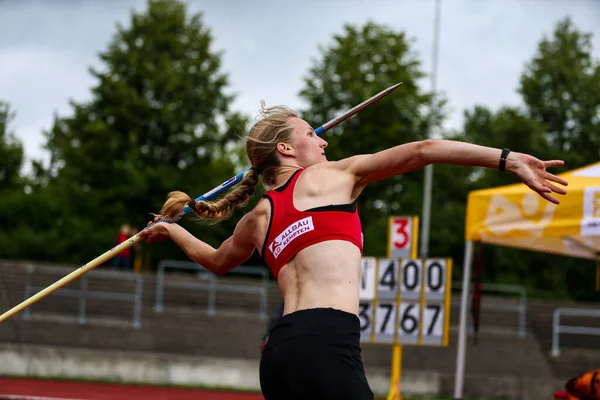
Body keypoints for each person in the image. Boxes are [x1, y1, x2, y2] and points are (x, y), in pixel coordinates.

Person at [138, 102, 568, 400]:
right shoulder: (334, 176)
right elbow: (424, 151)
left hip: (278, 354)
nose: (323, 143)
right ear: (286, 149)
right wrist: (506, 159)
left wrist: (171, 231)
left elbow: (215, 261)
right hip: (327, 341)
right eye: (312, 134)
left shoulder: (258, 217)